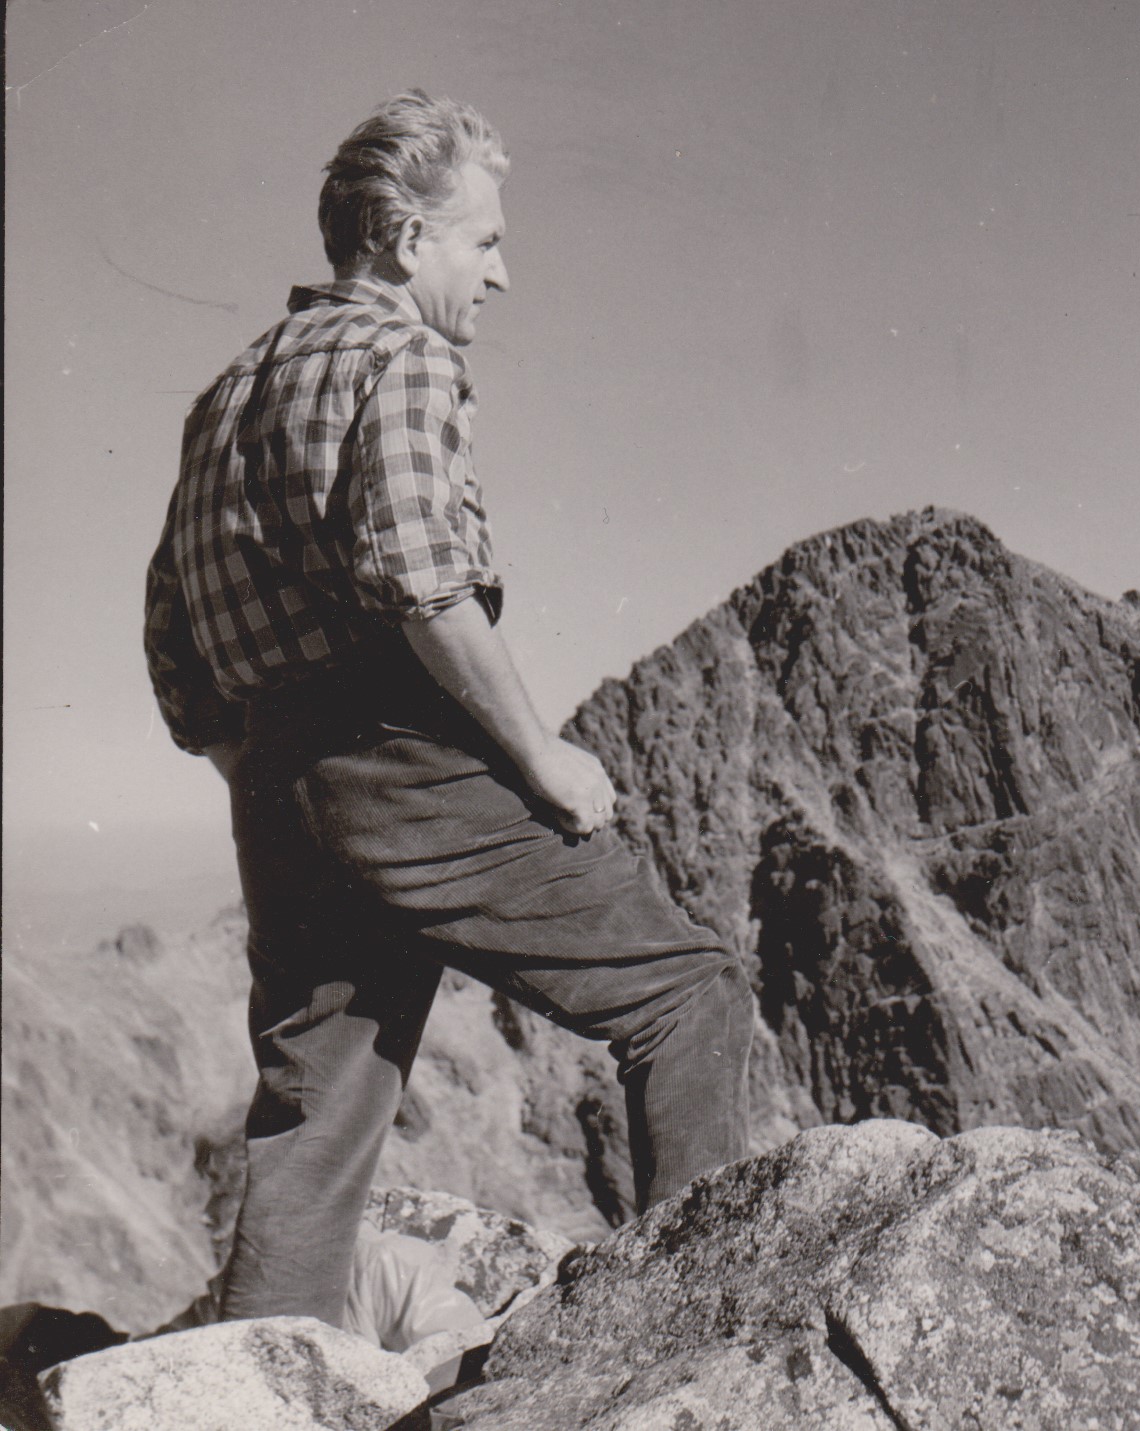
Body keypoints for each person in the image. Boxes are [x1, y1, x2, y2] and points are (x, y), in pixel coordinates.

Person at [143, 91, 753, 1326]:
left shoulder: (224, 396)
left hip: (275, 784)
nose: (502, 274)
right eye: (485, 241)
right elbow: (422, 580)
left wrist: (277, 777)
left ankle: (257, 1385)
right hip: (403, 759)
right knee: (687, 992)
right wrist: (540, 758)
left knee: (315, 1119)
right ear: (407, 239)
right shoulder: (402, 358)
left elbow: (172, 635)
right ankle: (699, 1338)